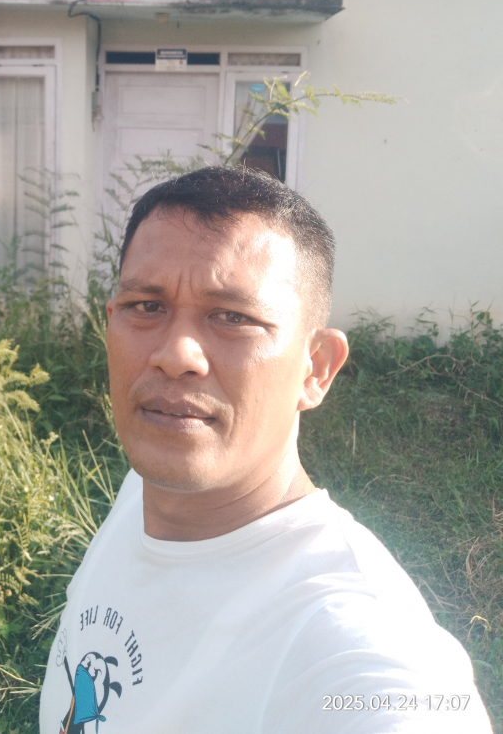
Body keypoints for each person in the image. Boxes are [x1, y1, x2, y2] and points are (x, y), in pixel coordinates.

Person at [39, 165, 492, 733]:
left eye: (233, 317)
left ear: (316, 368)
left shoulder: (356, 646)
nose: (176, 354)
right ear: (110, 324)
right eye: (146, 306)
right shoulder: (145, 494)